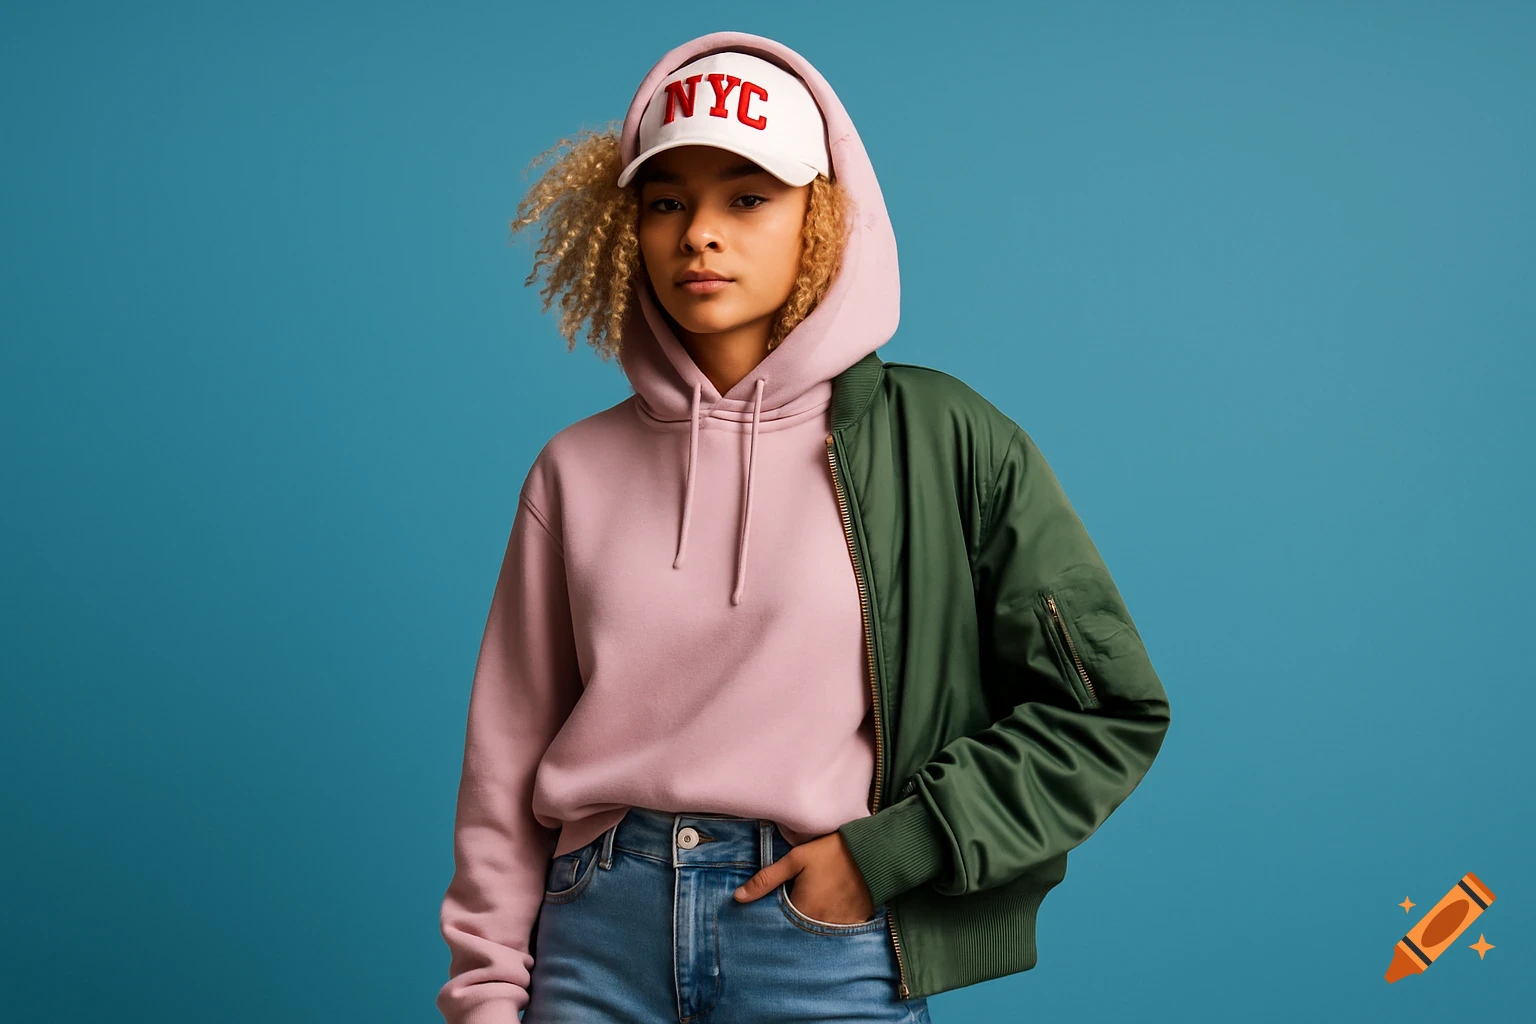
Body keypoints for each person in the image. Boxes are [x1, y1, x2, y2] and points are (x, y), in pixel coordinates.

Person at [437, 31, 1172, 1024]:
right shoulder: (573, 469)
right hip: (593, 936)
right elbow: (503, 756)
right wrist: (486, 991)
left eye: (748, 197)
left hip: (817, 938)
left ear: (820, 218)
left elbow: (1107, 708)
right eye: (666, 201)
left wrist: (892, 851)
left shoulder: (945, 441)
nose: (700, 232)